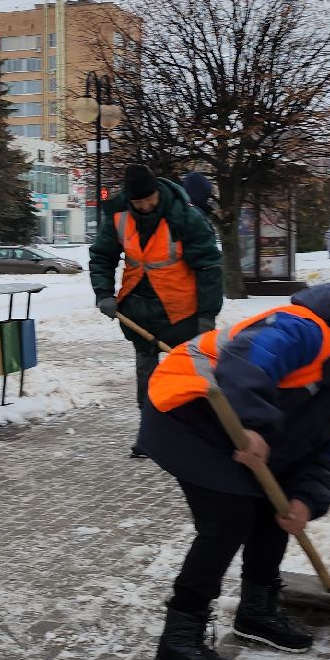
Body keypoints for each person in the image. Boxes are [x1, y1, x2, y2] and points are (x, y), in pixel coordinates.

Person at [141, 283, 330, 660]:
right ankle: (179, 637)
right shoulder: (305, 329)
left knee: (275, 509)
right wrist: (253, 424)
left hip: (235, 418)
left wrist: (307, 498)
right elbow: (246, 362)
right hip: (190, 409)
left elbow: (323, 438)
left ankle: (256, 610)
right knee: (229, 520)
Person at [90, 165, 224, 458]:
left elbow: (209, 266)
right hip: (139, 311)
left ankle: (205, 431)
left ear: (157, 192)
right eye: (138, 202)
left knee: (193, 373)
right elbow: (102, 256)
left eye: (149, 200)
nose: (145, 206)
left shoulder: (185, 216)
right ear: (130, 199)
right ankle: (151, 435)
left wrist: (206, 314)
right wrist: (104, 293)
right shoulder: (119, 216)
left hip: (182, 311)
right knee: (147, 376)